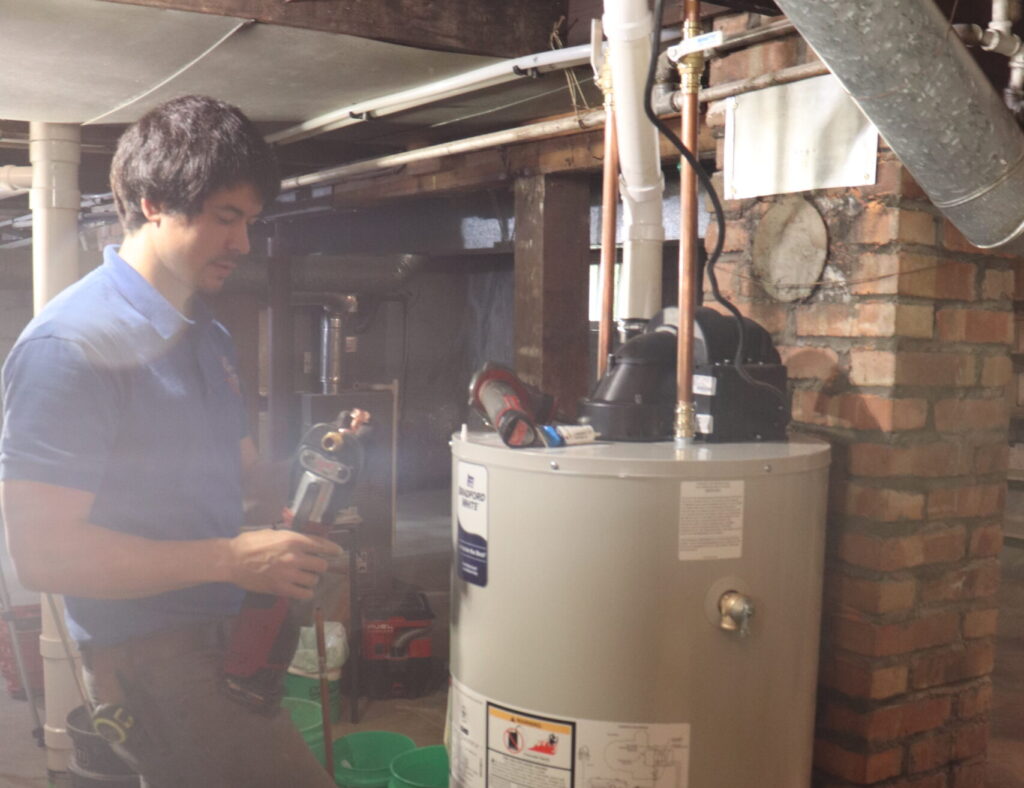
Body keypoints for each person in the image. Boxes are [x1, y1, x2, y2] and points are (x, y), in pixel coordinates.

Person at [0, 95, 340, 787]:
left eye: (249, 220)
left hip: (226, 632)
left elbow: (236, 471)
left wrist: (315, 479)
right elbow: (45, 556)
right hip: (150, 656)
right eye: (225, 217)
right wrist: (231, 558)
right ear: (154, 203)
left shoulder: (203, 332)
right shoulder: (71, 346)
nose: (243, 243)